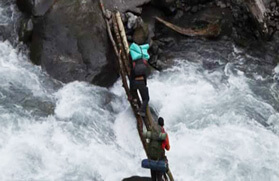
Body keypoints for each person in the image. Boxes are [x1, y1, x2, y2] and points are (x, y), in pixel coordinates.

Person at [129, 42, 150, 117]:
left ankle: (134, 101)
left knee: (134, 95)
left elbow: (131, 77)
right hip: (141, 82)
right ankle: (142, 111)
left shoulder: (134, 65)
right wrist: (145, 85)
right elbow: (145, 77)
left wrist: (131, 90)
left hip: (134, 82)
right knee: (146, 99)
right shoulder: (144, 64)